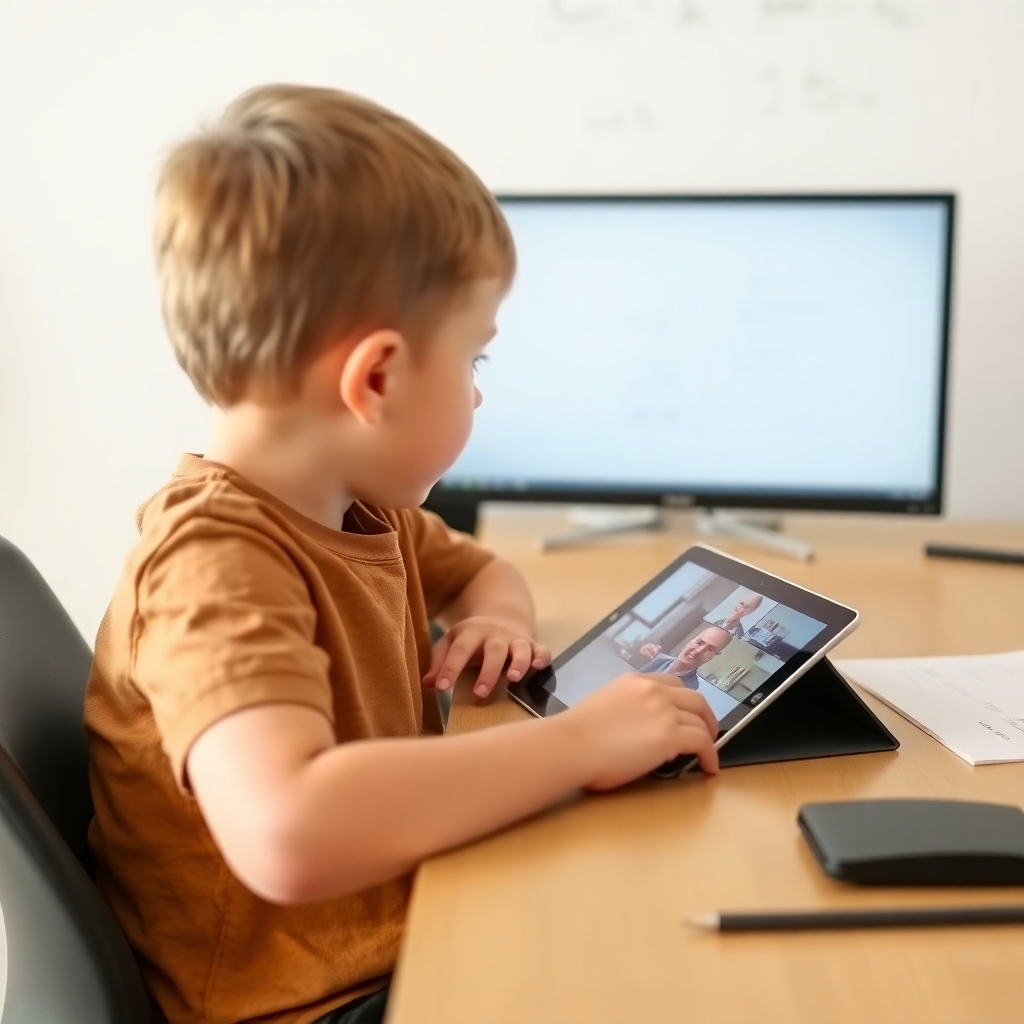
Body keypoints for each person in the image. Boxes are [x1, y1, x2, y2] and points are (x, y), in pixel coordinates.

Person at [83, 85, 720, 1024]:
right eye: (475, 362)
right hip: (313, 1006)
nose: (479, 394)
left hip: (395, 940)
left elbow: (477, 571)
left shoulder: (352, 507)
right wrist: (579, 741)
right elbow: (287, 829)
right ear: (376, 377)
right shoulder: (212, 562)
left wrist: (495, 621)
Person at [637, 625, 733, 689]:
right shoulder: (657, 659)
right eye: (699, 643)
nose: (698, 651)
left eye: (710, 649)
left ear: (714, 656)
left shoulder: (689, 687)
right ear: (691, 640)